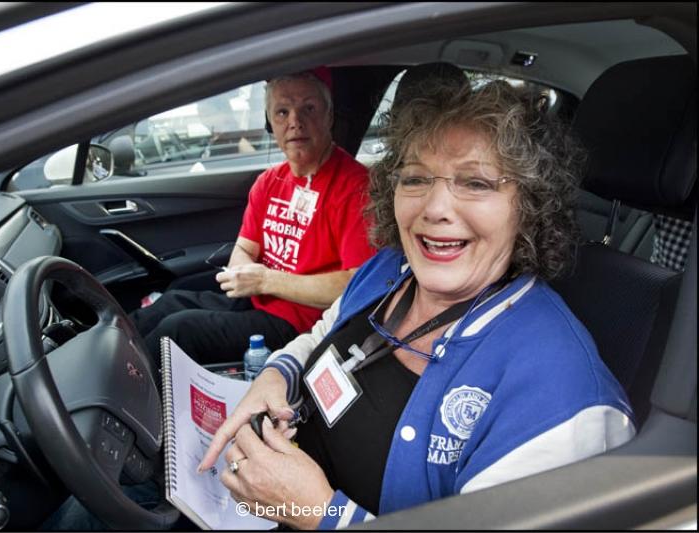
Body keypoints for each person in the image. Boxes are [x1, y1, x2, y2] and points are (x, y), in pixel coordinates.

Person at [199, 79, 637, 529]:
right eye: (415, 179)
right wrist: (277, 375)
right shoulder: (389, 269)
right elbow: (321, 333)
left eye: (475, 182)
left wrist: (317, 512)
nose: (434, 207)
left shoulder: (561, 403)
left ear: (528, 204)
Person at [129, 67, 375, 365]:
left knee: (178, 331)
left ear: (329, 116)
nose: (295, 122)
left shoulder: (354, 187)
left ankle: (121, 379)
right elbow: (245, 248)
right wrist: (243, 275)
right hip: (256, 301)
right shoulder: (269, 181)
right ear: (271, 122)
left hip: (302, 324)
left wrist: (265, 280)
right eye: (282, 112)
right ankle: (102, 344)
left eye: (309, 108)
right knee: (171, 301)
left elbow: (357, 284)